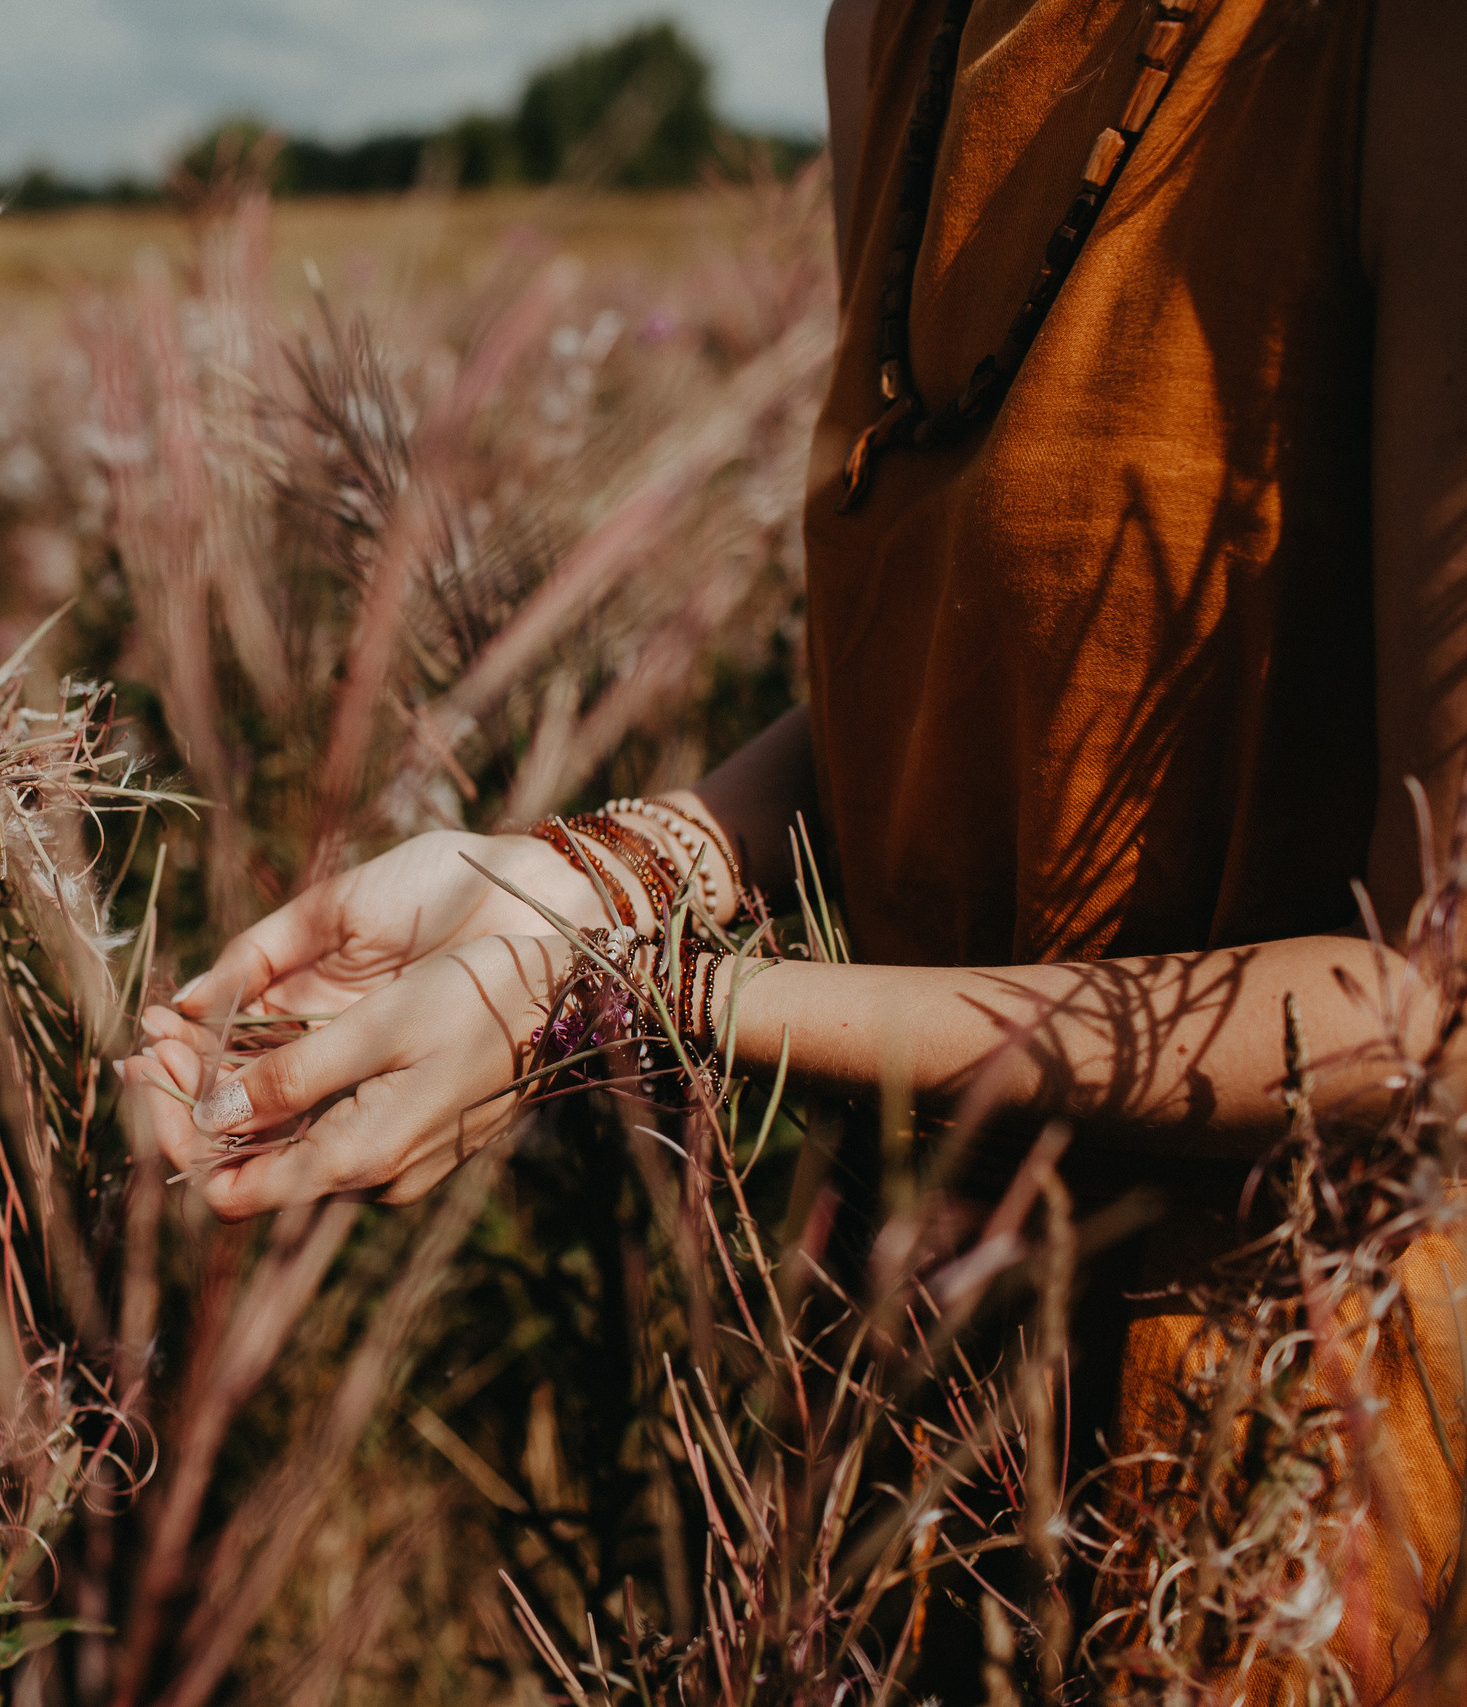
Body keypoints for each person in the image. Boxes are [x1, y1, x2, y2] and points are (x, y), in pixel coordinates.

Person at [127, 0, 1467, 1692]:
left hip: (1283, 1479)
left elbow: (1432, 1013)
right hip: (889, 1415)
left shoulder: (1395, 55)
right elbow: (945, 702)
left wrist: (652, 992)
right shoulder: (898, 37)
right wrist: (560, 886)